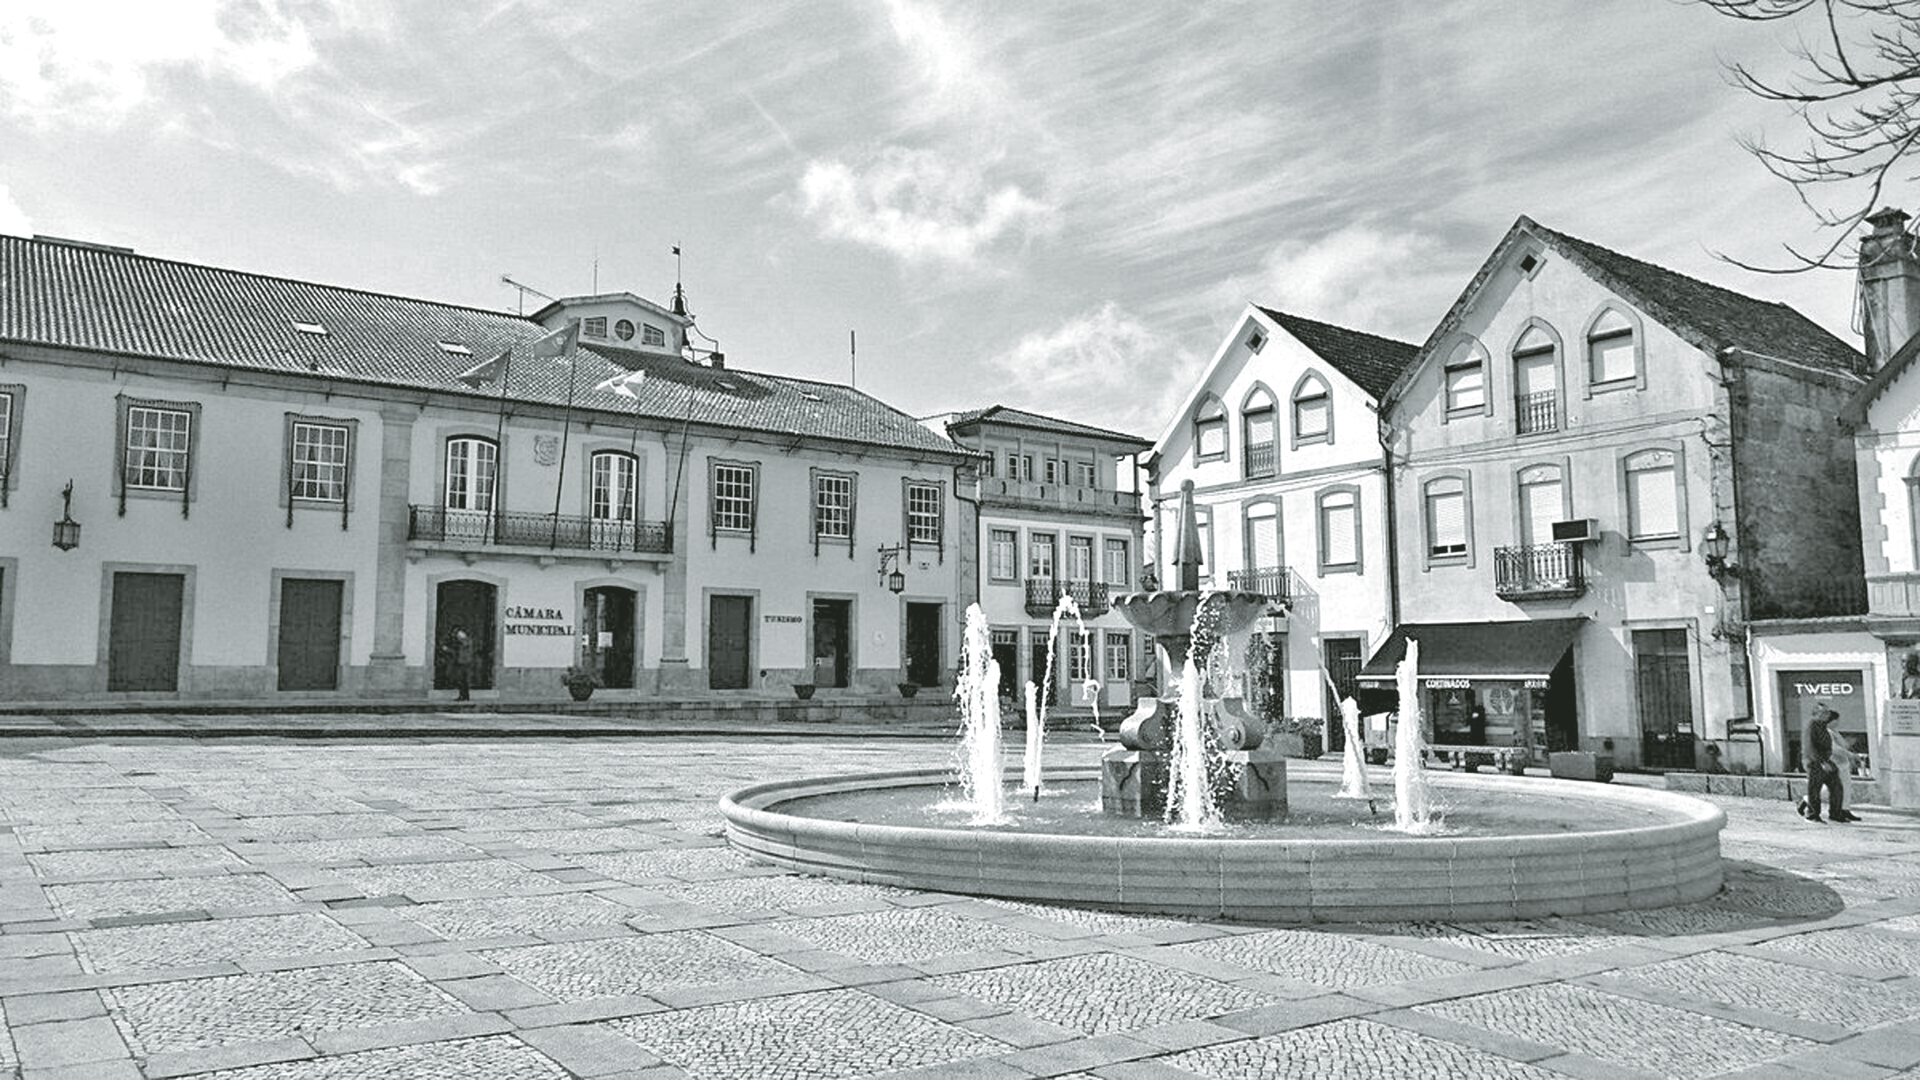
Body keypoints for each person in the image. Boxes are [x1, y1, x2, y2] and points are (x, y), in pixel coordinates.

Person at [1803, 704, 1849, 823]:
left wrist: (1827, 760)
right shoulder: (1812, 725)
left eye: (1827, 712)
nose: (1826, 715)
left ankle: (1835, 814)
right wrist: (1821, 762)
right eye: (1823, 713)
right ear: (1816, 714)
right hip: (1815, 762)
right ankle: (1812, 815)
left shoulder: (1822, 725)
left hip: (1826, 760)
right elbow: (1810, 747)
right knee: (1815, 789)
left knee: (1837, 787)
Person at [446, 627, 475, 701]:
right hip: (460, 662)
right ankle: (463, 696)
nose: (457, 636)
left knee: (463, 681)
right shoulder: (462, 642)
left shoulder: (467, 641)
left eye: (459, 634)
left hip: (465, 663)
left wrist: (448, 649)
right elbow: (456, 652)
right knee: (461, 681)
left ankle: (465, 696)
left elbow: (462, 648)